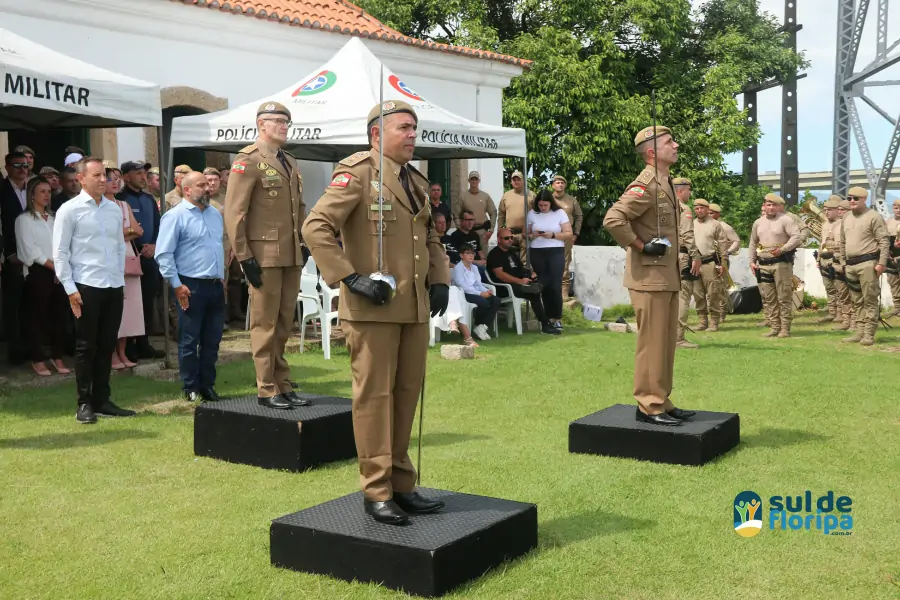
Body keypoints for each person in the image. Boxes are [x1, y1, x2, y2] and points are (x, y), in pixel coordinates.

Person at [302, 99, 451, 525]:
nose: (411, 135)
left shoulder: (416, 182)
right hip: (372, 309)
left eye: (414, 129)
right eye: (403, 128)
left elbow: (431, 238)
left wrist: (439, 278)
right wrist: (349, 278)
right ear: (375, 134)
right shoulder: (358, 174)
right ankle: (376, 489)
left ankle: (403, 484)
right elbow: (315, 227)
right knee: (374, 399)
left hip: (413, 307)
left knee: (406, 396)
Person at [603, 125, 696, 426]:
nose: (677, 145)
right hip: (649, 277)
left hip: (666, 276)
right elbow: (613, 219)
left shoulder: (666, 182)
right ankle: (648, 404)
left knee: (666, 342)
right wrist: (642, 246)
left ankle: (662, 399)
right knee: (652, 342)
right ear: (653, 152)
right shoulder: (645, 185)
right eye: (670, 142)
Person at [224, 101, 307, 410]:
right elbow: (235, 213)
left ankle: (282, 382)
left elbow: (299, 208)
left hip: (291, 253)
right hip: (264, 255)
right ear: (261, 125)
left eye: (287, 121)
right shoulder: (248, 161)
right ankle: (266, 386)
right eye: (277, 121)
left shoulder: (290, 161)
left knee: (285, 322)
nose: (284, 126)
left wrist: (303, 242)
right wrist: (245, 258)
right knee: (265, 324)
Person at [53, 157, 134, 424]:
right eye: (98, 175)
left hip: (112, 284)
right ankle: (84, 402)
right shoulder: (69, 210)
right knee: (86, 346)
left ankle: (102, 399)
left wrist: (119, 280)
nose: (104, 180)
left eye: (105, 175)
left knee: (106, 345)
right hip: (86, 286)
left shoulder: (113, 210)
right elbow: (60, 252)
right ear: (81, 179)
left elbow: (119, 246)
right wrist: (70, 288)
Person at [156, 171, 226, 402]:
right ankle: (190, 386)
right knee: (189, 340)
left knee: (212, 340)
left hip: (215, 285)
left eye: (208, 184)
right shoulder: (175, 216)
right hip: (190, 285)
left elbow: (217, 247)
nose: (207, 188)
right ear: (187, 190)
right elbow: (164, 254)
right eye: (201, 185)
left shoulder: (215, 214)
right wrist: (176, 285)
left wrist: (221, 276)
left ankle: (208, 384)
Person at [16, 177, 71, 376]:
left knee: (59, 316)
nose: (47, 195)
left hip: (58, 271)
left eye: (49, 191)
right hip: (38, 272)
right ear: (32, 195)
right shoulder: (24, 220)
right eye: (42, 191)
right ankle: (37, 358)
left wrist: (61, 267)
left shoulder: (54, 218)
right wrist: (53, 267)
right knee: (37, 317)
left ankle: (57, 356)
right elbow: (29, 251)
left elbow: (63, 244)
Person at [117, 161, 163, 359]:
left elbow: (158, 225)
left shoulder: (148, 199)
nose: (143, 177)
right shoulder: (120, 199)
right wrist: (138, 247)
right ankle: (128, 346)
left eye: (144, 173)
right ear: (126, 177)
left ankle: (144, 342)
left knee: (147, 301)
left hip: (149, 257)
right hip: (130, 256)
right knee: (130, 303)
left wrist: (153, 245)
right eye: (138, 173)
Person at [840, 186, 889, 345]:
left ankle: (869, 334)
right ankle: (859, 331)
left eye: (855, 198)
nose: (852, 201)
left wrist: (881, 263)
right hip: (850, 265)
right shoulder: (846, 217)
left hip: (868, 263)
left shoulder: (874, 217)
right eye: (849, 198)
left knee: (870, 299)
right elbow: (842, 242)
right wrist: (842, 262)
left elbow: (883, 241)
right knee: (856, 300)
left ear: (864, 199)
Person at [748, 194, 803, 338]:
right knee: (769, 297)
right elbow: (753, 242)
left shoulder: (786, 220)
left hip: (781, 264)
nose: (770, 208)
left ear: (778, 206)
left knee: (784, 297)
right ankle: (774, 327)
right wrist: (752, 261)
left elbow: (796, 237)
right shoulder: (758, 222)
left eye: (773, 205)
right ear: (764, 206)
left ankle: (785, 329)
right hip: (764, 263)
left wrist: (783, 249)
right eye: (768, 205)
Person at [487, 227, 560, 335]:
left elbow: (521, 268)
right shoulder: (495, 254)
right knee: (533, 293)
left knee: (545, 280)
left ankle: (550, 318)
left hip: (518, 283)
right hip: (504, 287)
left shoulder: (511, 253)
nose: (510, 240)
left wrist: (531, 275)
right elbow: (500, 275)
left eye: (511, 238)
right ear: (499, 239)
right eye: (506, 238)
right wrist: (519, 281)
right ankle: (545, 324)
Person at [108, 166, 144, 370]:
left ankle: (122, 351)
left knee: (129, 310)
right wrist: (127, 231)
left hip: (128, 257)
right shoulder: (100, 206)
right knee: (114, 309)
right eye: (110, 178)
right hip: (111, 258)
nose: (115, 182)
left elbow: (137, 230)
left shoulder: (123, 204)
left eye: (117, 178)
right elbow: (107, 234)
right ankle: (111, 353)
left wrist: (123, 232)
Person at [527, 189, 573, 329]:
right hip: (537, 250)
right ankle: (545, 318)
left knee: (555, 285)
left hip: (555, 250)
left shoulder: (559, 213)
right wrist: (531, 235)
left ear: (550, 203)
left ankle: (557, 317)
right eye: (540, 205)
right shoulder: (532, 214)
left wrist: (552, 235)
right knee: (543, 284)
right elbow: (526, 233)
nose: (542, 208)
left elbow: (568, 234)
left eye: (545, 205)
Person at [1, 151, 30, 365]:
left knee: (32, 303)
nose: (22, 169)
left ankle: (32, 348)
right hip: (11, 255)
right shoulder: (2, 190)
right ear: (7, 167)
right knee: (13, 304)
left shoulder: (34, 189)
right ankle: (15, 350)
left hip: (34, 254)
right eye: (17, 165)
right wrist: (8, 253)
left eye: (25, 165)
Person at [691, 199, 730, 332]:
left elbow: (722, 244)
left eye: (702, 208)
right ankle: (702, 321)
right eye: (696, 208)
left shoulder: (715, 224)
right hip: (695, 262)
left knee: (713, 293)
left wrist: (722, 263)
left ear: (707, 209)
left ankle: (714, 322)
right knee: (698, 293)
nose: (699, 210)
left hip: (710, 262)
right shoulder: (691, 224)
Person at [672, 177, 701, 349]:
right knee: (683, 296)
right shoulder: (684, 209)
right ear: (681, 190)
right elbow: (688, 235)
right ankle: (678, 338)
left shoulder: (662, 205)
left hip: (667, 255)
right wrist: (695, 256)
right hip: (683, 255)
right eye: (689, 189)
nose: (690, 193)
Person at [452, 246, 500, 340]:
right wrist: (480, 294)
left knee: (496, 300)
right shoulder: (458, 268)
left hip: (476, 291)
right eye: (468, 253)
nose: (471, 255)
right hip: (464, 294)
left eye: (472, 253)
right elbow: (463, 286)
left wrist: (485, 290)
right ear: (461, 255)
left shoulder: (474, 267)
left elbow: (478, 283)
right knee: (484, 302)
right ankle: (477, 325)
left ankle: (482, 327)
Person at [550, 175, 583, 299]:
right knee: (549, 261)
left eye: (562, 183)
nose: (560, 185)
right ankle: (551, 291)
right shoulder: (548, 199)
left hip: (567, 236)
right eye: (557, 182)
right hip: (550, 236)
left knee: (565, 262)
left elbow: (579, 216)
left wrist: (576, 234)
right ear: (553, 185)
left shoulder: (571, 200)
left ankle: (564, 291)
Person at [452, 171, 496, 250]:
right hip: (467, 232)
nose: (474, 181)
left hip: (482, 232)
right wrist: (460, 229)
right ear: (469, 181)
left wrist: (491, 230)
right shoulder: (463, 196)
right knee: (466, 254)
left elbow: (493, 212)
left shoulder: (485, 196)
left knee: (483, 256)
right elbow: (456, 214)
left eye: (476, 179)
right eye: (472, 179)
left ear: (479, 181)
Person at [816, 196, 843, 324]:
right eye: (825, 210)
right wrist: (818, 258)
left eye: (830, 210)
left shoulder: (842, 223)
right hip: (824, 258)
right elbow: (821, 242)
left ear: (838, 210)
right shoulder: (825, 224)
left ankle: (840, 314)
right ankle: (832, 312)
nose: (827, 212)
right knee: (829, 288)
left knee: (839, 288)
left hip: (835, 258)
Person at [497, 170, 535, 262]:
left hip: (525, 233)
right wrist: (500, 229)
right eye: (514, 180)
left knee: (525, 260)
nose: (516, 182)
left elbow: (537, 213)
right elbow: (501, 213)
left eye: (518, 179)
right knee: (508, 258)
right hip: (510, 233)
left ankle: (525, 274)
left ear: (523, 181)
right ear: (511, 181)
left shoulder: (531, 195)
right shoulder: (506, 195)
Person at [884, 198, 900, 316]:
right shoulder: (888, 222)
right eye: (896, 208)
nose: (898, 210)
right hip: (891, 257)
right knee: (893, 283)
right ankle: (897, 307)